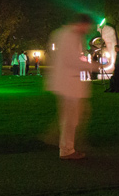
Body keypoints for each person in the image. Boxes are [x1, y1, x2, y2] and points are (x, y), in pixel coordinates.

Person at [45, 14, 100, 160]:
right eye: (88, 27)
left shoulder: (62, 34)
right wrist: (94, 66)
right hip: (68, 85)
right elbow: (71, 61)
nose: (88, 30)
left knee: (72, 117)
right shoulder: (70, 36)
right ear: (82, 24)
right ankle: (66, 149)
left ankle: (65, 144)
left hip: (66, 84)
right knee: (71, 118)